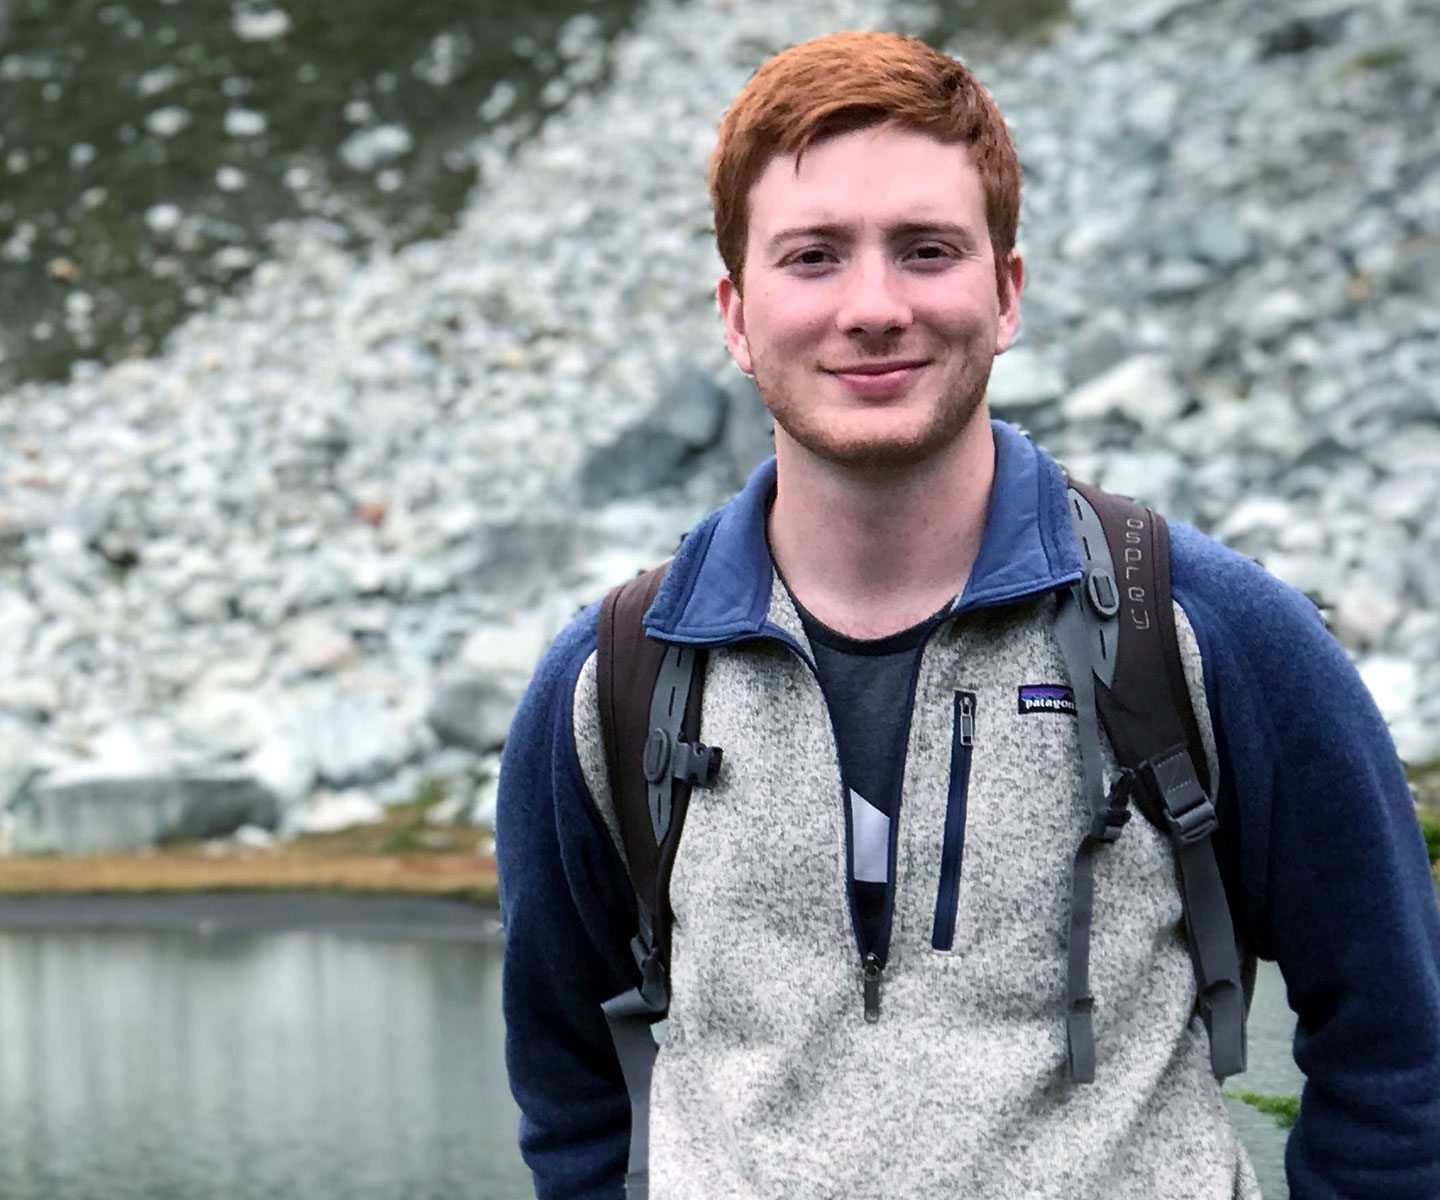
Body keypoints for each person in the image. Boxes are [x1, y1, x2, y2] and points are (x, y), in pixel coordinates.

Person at [497, 31, 1440, 1200]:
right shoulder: (612, 683)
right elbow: (568, 1085)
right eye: (814, 257)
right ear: (737, 317)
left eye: (927, 250)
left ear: (1005, 294)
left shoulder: (1206, 630)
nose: (875, 307)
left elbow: (1404, 1051)